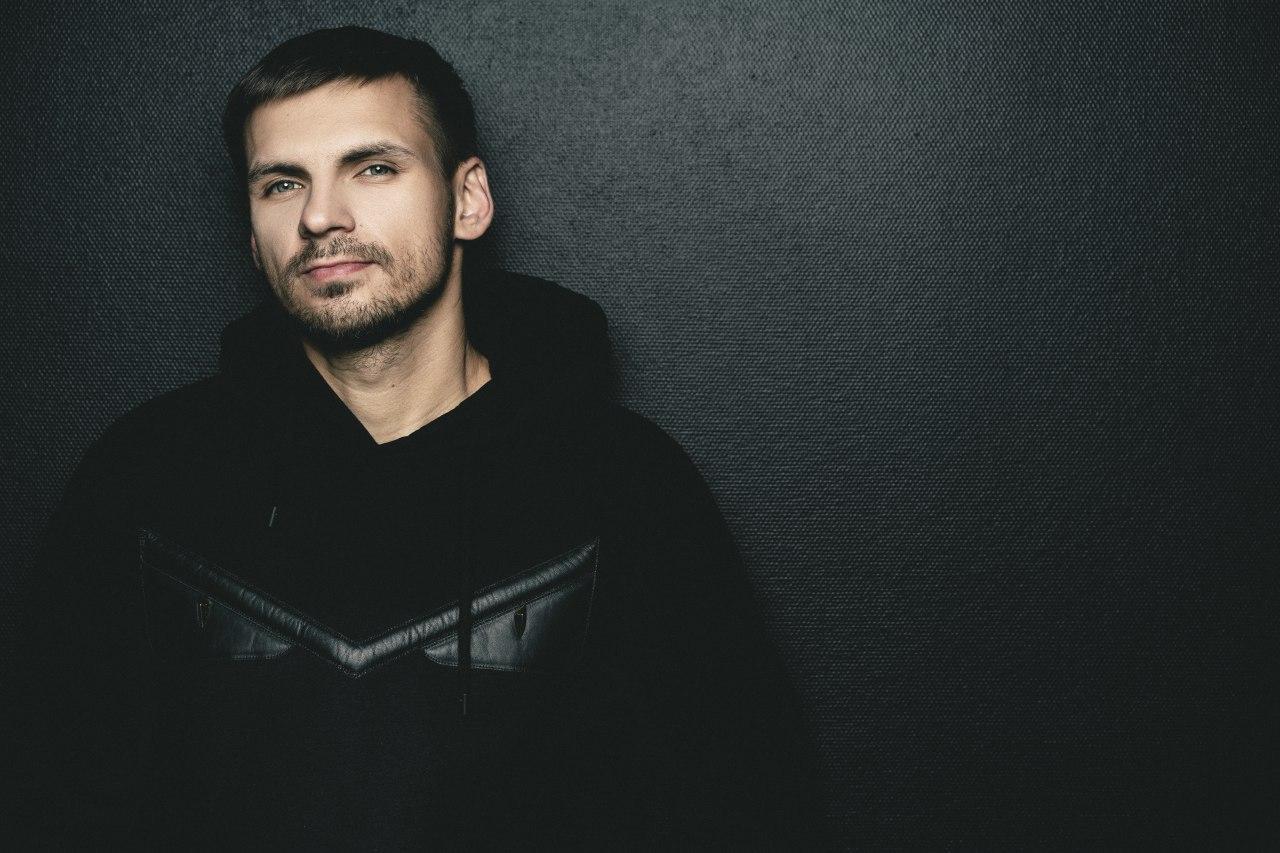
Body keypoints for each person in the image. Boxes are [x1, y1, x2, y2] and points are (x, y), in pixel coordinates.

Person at [19, 25, 829, 850]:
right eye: (282, 183)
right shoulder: (147, 478)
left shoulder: (627, 485)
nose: (320, 216)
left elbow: (746, 809)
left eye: (373, 167)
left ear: (467, 199)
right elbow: (51, 800)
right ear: (253, 235)